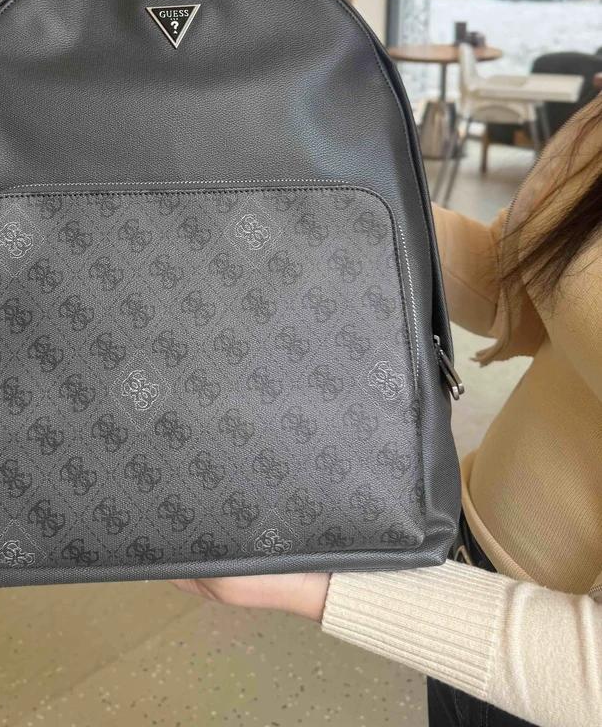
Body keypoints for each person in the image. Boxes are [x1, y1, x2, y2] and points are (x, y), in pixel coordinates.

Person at [172, 97, 602, 727]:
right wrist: (345, 192)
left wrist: (319, 584)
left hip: (539, 673)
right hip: (462, 553)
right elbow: (519, 276)